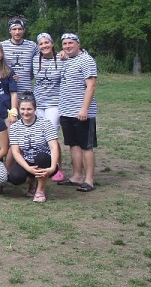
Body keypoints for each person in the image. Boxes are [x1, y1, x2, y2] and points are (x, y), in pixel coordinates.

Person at [57, 33, 98, 192]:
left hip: (81, 112)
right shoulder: (66, 59)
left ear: (78, 44)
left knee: (86, 146)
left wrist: (84, 108)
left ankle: (89, 180)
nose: (67, 46)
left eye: (71, 43)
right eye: (65, 44)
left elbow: (91, 85)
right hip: (66, 110)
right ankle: (77, 176)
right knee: (73, 145)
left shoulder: (86, 60)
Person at [8, 93, 60, 203]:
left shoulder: (45, 123)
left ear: (35, 109)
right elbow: (15, 152)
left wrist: (52, 167)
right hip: (27, 160)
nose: (25, 112)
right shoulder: (14, 127)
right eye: (22, 109)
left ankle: (40, 190)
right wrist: (28, 168)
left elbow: (54, 147)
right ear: (18, 109)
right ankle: (32, 182)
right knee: (15, 177)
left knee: (42, 157)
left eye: (29, 109)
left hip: (45, 161)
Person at [32, 32, 66, 182]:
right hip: (38, 104)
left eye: (47, 42)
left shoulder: (61, 58)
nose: (44, 46)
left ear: (52, 43)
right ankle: (41, 164)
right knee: (38, 136)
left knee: (51, 135)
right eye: (41, 44)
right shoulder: (35, 60)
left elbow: (78, 55)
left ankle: (57, 167)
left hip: (54, 103)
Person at [1, 17, 38, 93]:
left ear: (24, 30)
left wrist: (61, 53)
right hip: (7, 91)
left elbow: (46, 55)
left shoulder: (32, 46)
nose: (17, 32)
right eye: (14, 29)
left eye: (20, 29)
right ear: (10, 31)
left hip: (26, 91)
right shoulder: (2, 46)